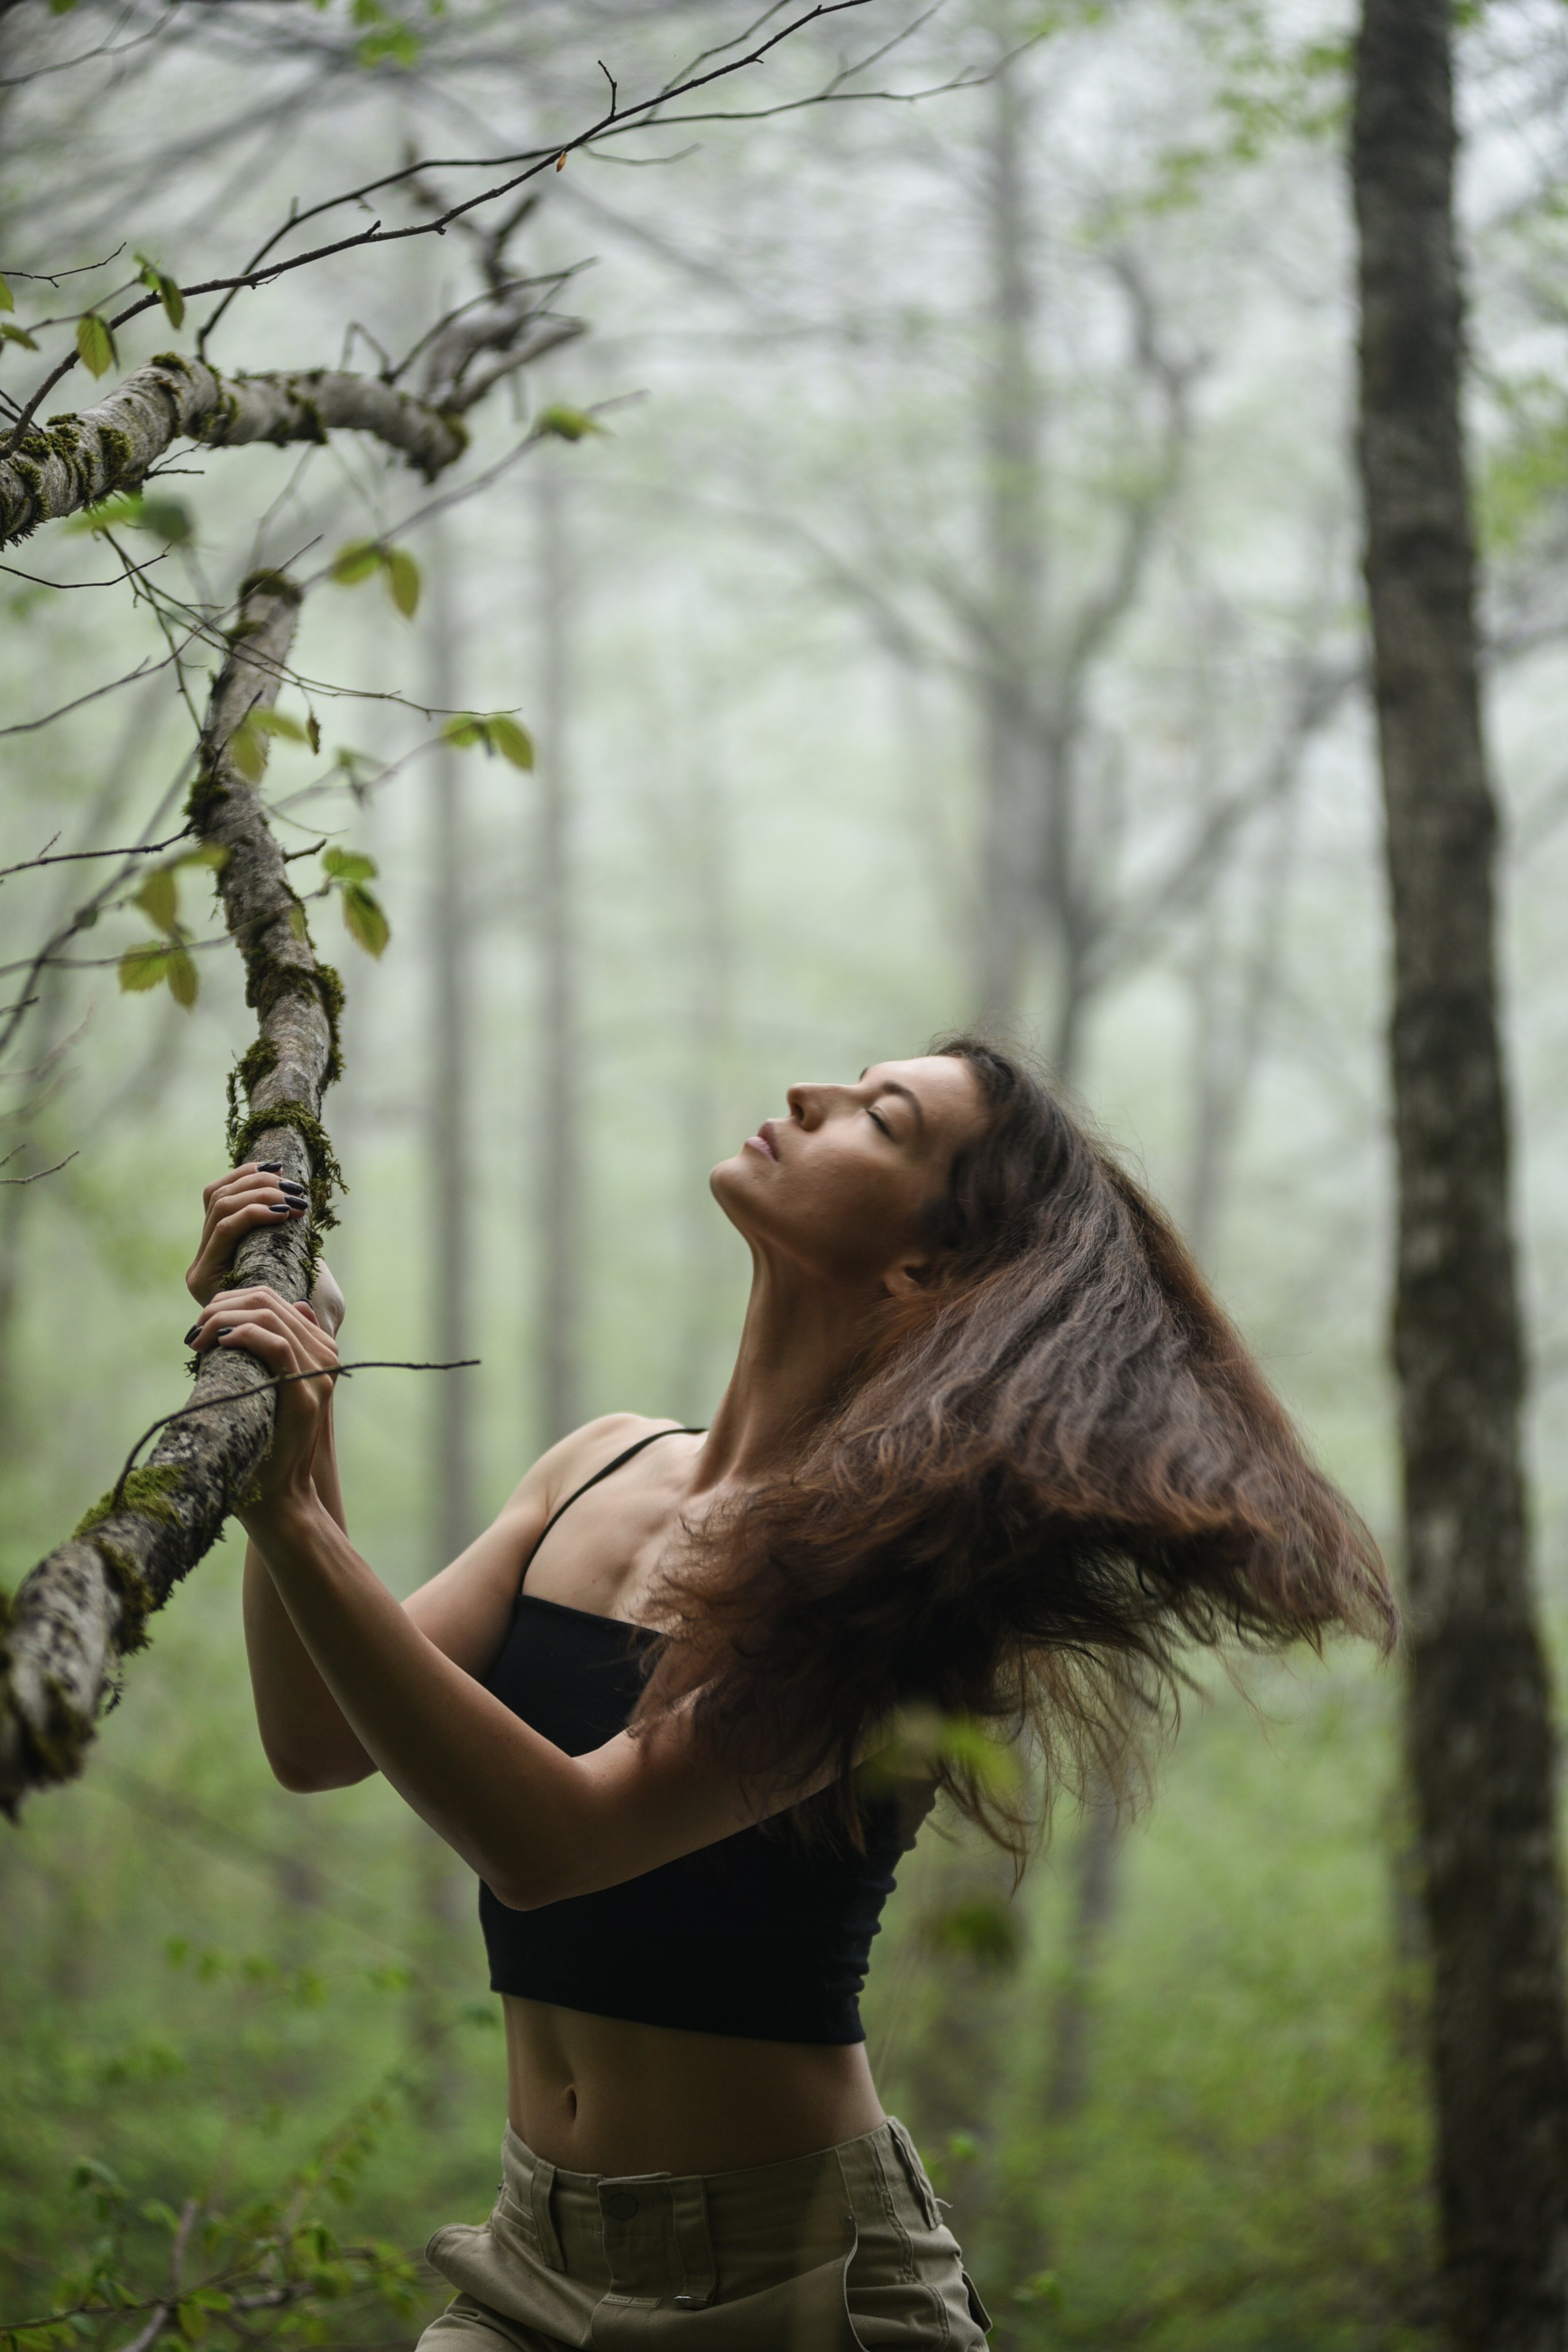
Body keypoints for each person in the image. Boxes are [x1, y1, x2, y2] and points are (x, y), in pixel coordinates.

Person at [185, 1038, 1394, 2350]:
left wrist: (301, 1518)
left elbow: (555, 1844)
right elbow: (315, 1738)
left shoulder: (899, 1576)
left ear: (923, 1267)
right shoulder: (598, 1466)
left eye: (879, 1118)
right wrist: (287, 1405)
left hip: (795, 2280)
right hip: (530, 2254)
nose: (811, 1096)